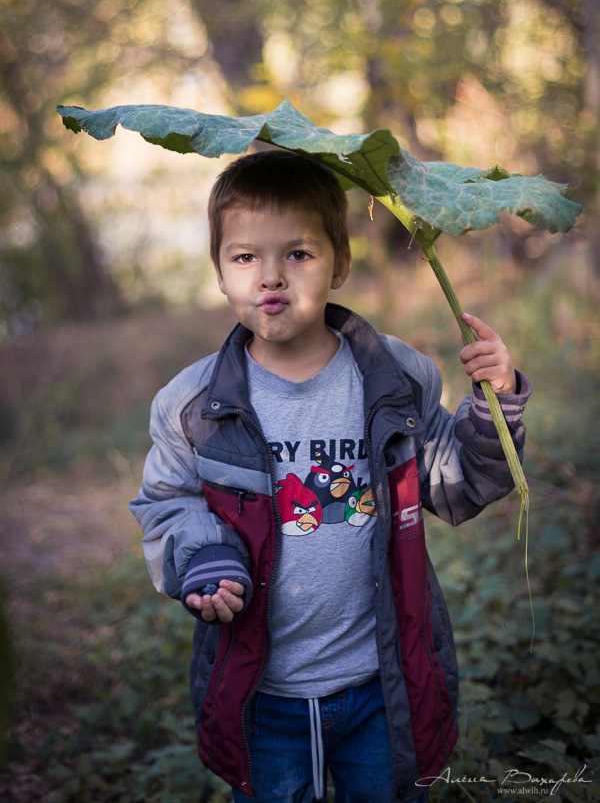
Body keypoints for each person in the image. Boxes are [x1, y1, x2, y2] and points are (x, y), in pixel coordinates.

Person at [130, 150, 531, 803]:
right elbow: (167, 501)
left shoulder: (395, 379)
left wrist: (497, 404)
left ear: (340, 263)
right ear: (220, 273)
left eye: (298, 255)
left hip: (381, 686)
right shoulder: (193, 403)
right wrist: (201, 556)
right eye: (244, 258)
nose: (270, 277)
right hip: (264, 695)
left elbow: (457, 486)